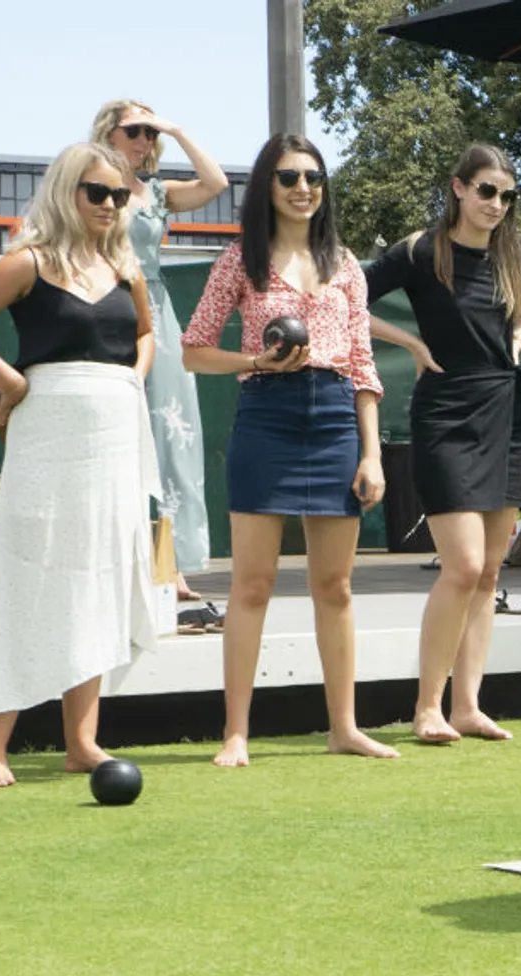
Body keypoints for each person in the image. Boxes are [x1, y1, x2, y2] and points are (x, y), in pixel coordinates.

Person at [0, 143, 158, 787]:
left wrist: (133, 379)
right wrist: (14, 384)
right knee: (31, 571)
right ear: (68, 192)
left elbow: (145, 334)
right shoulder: (28, 261)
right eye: (97, 193)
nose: (110, 205)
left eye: (119, 195)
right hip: (47, 431)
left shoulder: (126, 268)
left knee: (100, 575)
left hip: (115, 429)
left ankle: (81, 742)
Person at [182, 134, 396, 767]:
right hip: (265, 418)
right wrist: (255, 361)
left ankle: (344, 728)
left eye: (313, 176)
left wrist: (372, 454)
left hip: (335, 420)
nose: (303, 187)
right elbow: (194, 349)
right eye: (288, 178)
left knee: (335, 586)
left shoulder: (347, 265)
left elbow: (362, 364)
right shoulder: (239, 262)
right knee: (252, 585)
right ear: (266, 189)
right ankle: (236, 734)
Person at [364, 144, 521, 744]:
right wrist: (412, 346)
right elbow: (348, 300)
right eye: (486, 191)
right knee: (464, 565)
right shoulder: (421, 250)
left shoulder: (514, 252)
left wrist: (520, 338)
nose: (497, 205)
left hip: (505, 409)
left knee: (490, 570)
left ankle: (467, 707)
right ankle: (427, 708)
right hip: (445, 412)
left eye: (506, 195)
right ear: (459, 188)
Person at [92, 99, 227, 607]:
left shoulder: (160, 193)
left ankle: (172, 564)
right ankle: (118, 563)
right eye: (135, 130)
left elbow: (216, 184)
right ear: (109, 132)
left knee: (174, 435)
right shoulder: (91, 187)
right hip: (106, 304)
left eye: (151, 133)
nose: (144, 141)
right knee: (116, 436)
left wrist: (177, 128)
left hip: (158, 310)